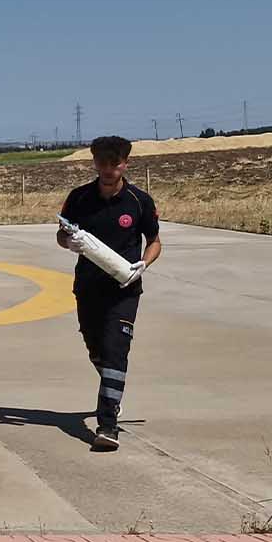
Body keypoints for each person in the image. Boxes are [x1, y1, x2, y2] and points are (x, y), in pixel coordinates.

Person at [56, 135, 162, 451]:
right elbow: (62, 234)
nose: (107, 169)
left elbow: (155, 240)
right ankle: (113, 386)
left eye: (114, 163)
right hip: (87, 288)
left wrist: (145, 262)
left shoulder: (139, 201)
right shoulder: (78, 198)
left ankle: (107, 424)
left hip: (124, 289)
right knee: (97, 351)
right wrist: (67, 242)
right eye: (101, 162)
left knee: (116, 351)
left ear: (124, 164)